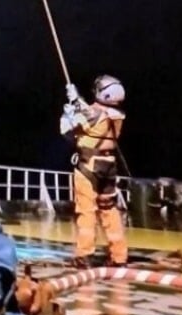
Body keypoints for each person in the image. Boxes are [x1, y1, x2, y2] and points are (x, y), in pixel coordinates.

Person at [59, 75, 128, 268]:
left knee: (86, 211)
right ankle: (119, 256)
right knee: (109, 210)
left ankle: (84, 255)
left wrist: (69, 109)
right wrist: (76, 100)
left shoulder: (94, 113)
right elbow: (89, 113)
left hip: (89, 165)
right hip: (109, 165)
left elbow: (67, 130)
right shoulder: (118, 115)